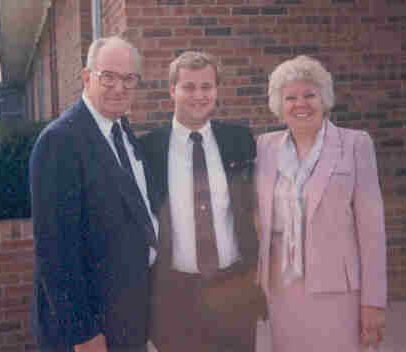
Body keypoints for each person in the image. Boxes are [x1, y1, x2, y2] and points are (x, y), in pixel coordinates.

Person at [30, 36, 158, 352]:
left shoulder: (122, 131)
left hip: (127, 319)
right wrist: (83, 335)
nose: (119, 87)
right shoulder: (60, 141)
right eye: (108, 77)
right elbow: (55, 252)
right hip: (90, 332)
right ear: (87, 77)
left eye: (129, 79)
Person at [255, 55, 387, 351]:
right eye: (290, 97)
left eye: (309, 95)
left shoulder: (355, 144)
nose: (300, 104)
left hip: (339, 293)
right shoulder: (264, 148)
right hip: (283, 289)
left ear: (324, 98)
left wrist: (374, 302)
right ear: (279, 105)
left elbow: (372, 231)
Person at [141, 51, 266, 352]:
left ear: (216, 90)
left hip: (232, 286)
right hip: (174, 291)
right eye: (189, 87)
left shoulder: (239, 140)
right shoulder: (148, 149)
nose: (199, 95)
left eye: (207, 87)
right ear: (172, 90)